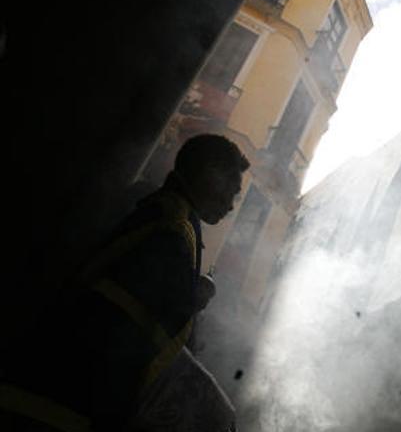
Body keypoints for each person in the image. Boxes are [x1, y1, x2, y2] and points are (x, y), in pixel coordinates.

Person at [1, 134, 248, 432]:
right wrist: (193, 297)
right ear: (212, 172)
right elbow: (151, 308)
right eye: (233, 191)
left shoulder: (158, 208)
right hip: (80, 384)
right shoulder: (173, 223)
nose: (232, 205)